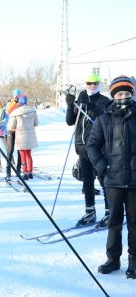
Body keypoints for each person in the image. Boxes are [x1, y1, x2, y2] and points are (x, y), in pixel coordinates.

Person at [87, 75, 136, 279]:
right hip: (113, 180)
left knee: (134, 223)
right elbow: (92, 146)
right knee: (114, 222)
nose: (123, 97)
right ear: (113, 95)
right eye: (119, 94)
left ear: (131, 94)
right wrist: (102, 167)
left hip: (134, 181)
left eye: (126, 93)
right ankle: (113, 259)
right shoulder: (104, 119)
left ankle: (133, 260)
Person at [65, 73, 111, 227]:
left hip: (98, 147)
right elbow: (70, 121)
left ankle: (109, 211)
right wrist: (70, 105)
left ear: (99, 84)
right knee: (87, 180)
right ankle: (90, 211)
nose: (92, 86)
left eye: (95, 83)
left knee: (103, 179)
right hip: (81, 146)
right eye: (89, 83)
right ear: (85, 83)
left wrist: (91, 106)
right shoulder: (80, 100)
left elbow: (106, 118)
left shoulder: (104, 101)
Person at [7, 95, 38, 180]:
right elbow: (36, 123)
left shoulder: (16, 113)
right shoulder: (32, 111)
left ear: (19, 103)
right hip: (30, 136)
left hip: (20, 137)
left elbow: (12, 126)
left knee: (22, 154)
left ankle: (24, 173)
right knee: (28, 154)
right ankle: (30, 172)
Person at [5, 88, 22, 180]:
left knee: (19, 149)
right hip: (11, 129)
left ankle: (18, 169)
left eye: (19, 95)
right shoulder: (10, 103)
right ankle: (8, 171)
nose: (17, 97)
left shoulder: (22, 103)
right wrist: (15, 102)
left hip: (20, 129)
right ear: (13, 95)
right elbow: (8, 111)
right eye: (16, 95)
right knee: (10, 149)